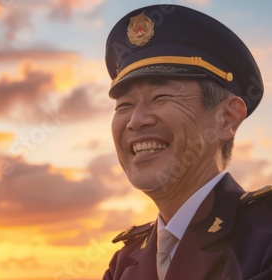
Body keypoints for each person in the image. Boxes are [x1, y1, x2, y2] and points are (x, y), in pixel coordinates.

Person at [102, 4, 272, 280]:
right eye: (124, 105)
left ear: (227, 118)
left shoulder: (264, 239)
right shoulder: (123, 263)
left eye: (161, 97)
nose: (135, 120)